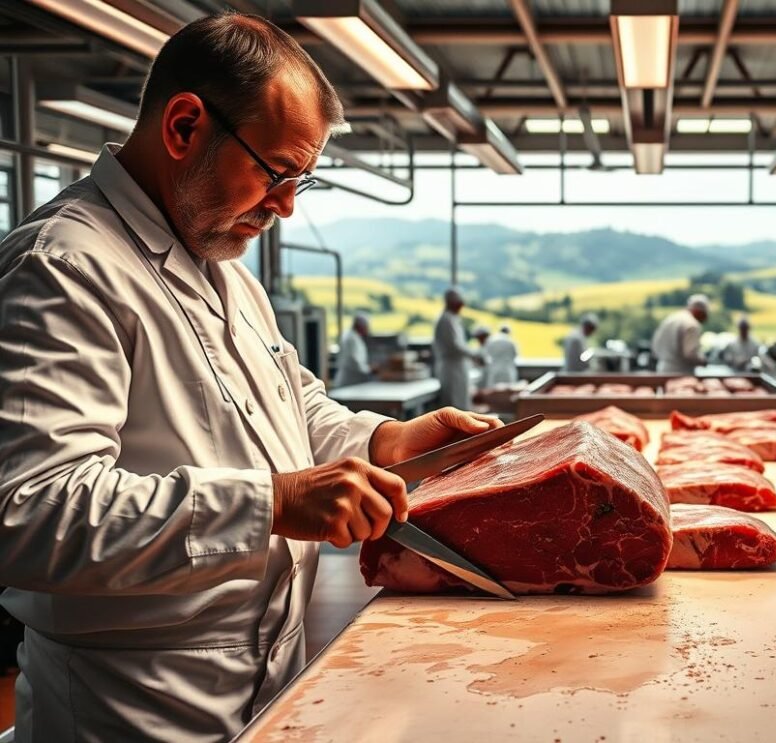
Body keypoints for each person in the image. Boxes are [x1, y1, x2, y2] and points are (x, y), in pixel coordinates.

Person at [0, 14, 501, 742]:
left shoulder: (226, 270)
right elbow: (30, 513)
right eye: (275, 172)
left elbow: (289, 408)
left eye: (302, 180)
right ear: (184, 127)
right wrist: (272, 502)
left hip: (265, 691)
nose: (286, 205)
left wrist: (385, 441)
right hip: (135, 712)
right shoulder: (64, 267)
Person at [434, 287, 478, 410]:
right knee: (455, 406)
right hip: (451, 370)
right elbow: (455, 346)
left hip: (457, 368)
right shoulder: (446, 320)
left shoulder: (452, 319)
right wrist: (474, 354)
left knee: (461, 405)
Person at [652, 294, 710, 374]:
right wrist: (703, 361)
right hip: (681, 372)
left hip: (662, 369)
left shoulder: (672, 318)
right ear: (699, 311)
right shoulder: (692, 324)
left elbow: (655, 344)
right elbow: (690, 354)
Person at [333, 312, 373, 387]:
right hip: (348, 381)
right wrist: (368, 369)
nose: (368, 329)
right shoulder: (351, 339)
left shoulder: (352, 336)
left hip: (351, 382)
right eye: (366, 326)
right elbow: (353, 360)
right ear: (360, 326)